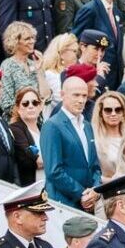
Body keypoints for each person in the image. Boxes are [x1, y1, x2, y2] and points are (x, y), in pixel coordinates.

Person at [45, 74, 103, 209]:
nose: (81, 100)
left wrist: (95, 190)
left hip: (89, 202)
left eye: (84, 95)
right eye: (76, 95)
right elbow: (54, 171)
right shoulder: (52, 125)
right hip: (63, 203)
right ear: (62, 95)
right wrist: (81, 193)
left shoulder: (87, 126)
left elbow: (94, 165)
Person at [9, 86, 45, 184]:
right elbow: (37, 161)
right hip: (33, 186)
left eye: (35, 103)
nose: (30, 106)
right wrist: (57, 160)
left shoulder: (44, 128)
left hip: (52, 184)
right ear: (18, 108)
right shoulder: (15, 129)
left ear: (40, 106)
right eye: (25, 104)